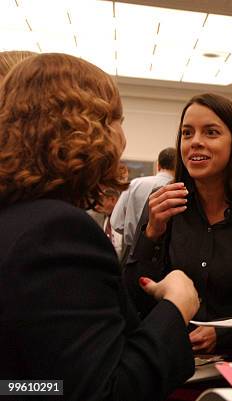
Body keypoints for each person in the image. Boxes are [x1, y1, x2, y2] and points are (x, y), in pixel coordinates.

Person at [0, 53, 200, 401]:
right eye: (118, 120)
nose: (123, 137)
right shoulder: (56, 230)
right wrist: (176, 308)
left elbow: (38, 386)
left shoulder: (16, 217)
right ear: (89, 128)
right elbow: (105, 392)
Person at [125, 93, 232, 360]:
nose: (196, 143)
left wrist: (224, 333)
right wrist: (151, 233)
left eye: (211, 133)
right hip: (173, 361)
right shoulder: (165, 206)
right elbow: (134, 294)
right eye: (187, 133)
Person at [111, 147, 177, 259]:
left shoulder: (134, 184)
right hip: (166, 256)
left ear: (158, 166)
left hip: (132, 252)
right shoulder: (179, 189)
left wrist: (134, 234)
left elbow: (116, 222)